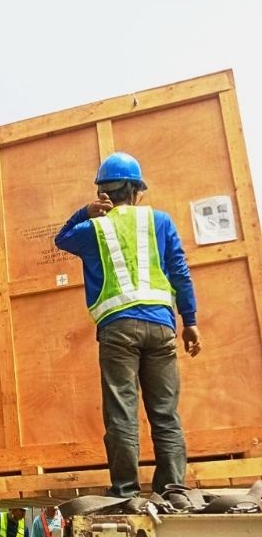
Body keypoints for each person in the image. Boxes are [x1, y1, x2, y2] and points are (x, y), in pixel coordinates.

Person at [54, 151, 202, 498]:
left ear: (103, 193)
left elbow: (61, 238)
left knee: (122, 414)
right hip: (161, 328)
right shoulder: (160, 221)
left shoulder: (94, 228)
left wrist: (86, 212)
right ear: (136, 190)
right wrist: (190, 321)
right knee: (165, 414)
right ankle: (173, 490)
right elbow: (179, 272)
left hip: (118, 330)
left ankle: (126, 492)